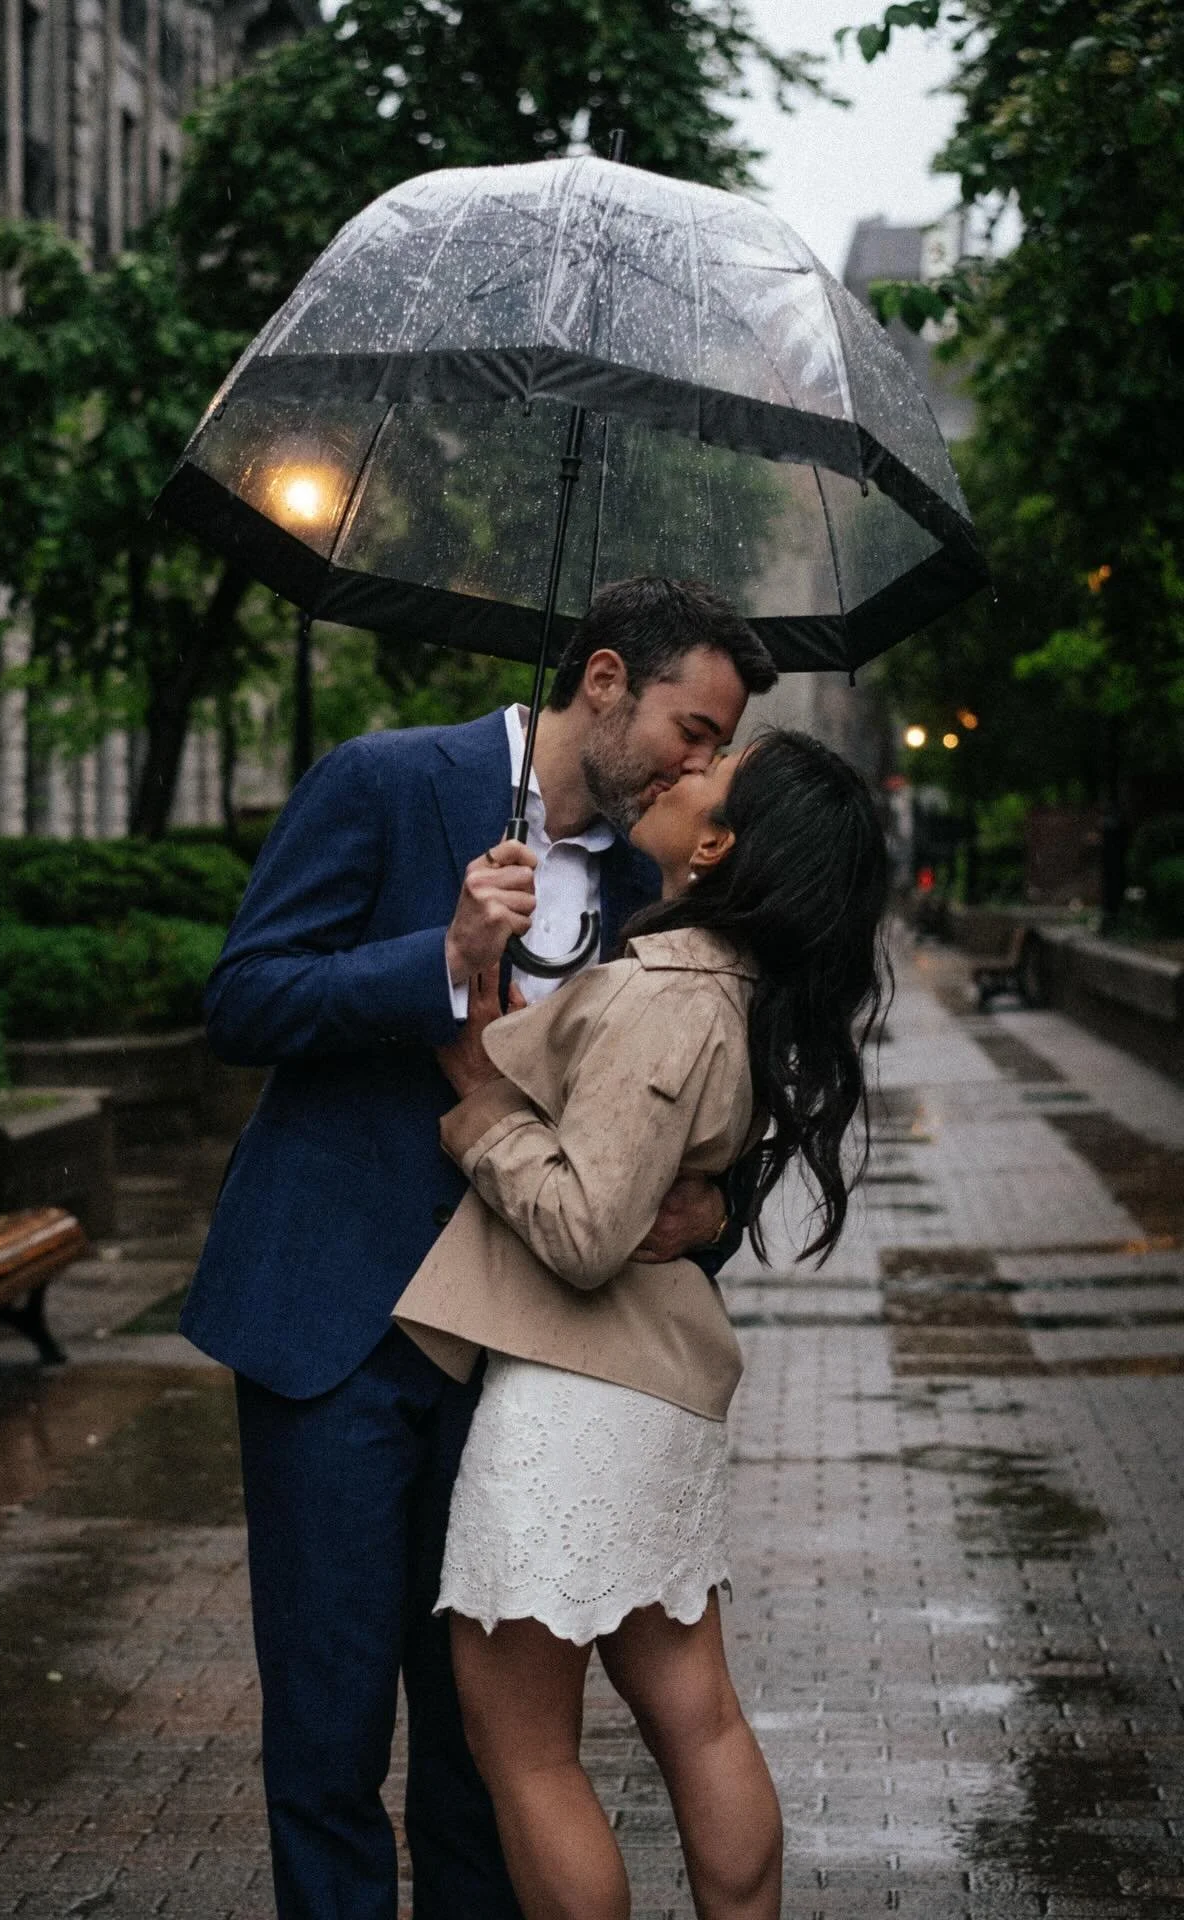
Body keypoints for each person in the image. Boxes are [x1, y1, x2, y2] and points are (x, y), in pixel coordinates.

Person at [181, 577, 779, 1919]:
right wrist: (439, 960)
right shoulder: (386, 782)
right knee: (330, 1737)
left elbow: (682, 1114)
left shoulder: (647, 887)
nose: (701, 769)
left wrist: (713, 1216)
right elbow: (244, 997)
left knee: (488, 1755)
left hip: (524, 1364)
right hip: (337, 1331)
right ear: (607, 678)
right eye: (692, 730)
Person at [393, 729, 891, 1920]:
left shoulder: (664, 991)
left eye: (712, 774)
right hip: (646, 1393)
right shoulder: (735, 989)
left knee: (523, 1750)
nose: (678, 776)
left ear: (720, 845)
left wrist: (480, 1104)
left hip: (575, 1402)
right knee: (697, 1715)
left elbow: (581, 1229)